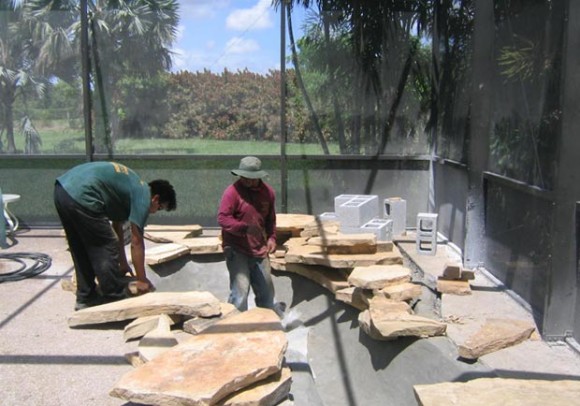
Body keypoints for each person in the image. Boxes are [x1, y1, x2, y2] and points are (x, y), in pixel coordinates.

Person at [54, 161, 176, 310]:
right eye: (159, 207)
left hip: (62, 190)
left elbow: (117, 228)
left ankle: (86, 297)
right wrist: (142, 280)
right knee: (106, 245)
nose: (155, 212)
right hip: (83, 194)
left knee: (80, 247)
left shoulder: (128, 189)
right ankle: (114, 297)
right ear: (155, 198)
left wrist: (123, 264)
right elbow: (136, 242)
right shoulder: (143, 195)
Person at [217, 156, 283, 316]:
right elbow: (223, 218)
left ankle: (267, 326)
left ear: (258, 177)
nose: (246, 181)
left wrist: (272, 238)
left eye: (250, 178)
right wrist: (243, 228)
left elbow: (270, 219)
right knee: (240, 293)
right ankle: (235, 328)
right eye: (243, 177)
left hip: (259, 250)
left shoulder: (268, 193)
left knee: (267, 294)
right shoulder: (232, 192)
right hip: (237, 249)